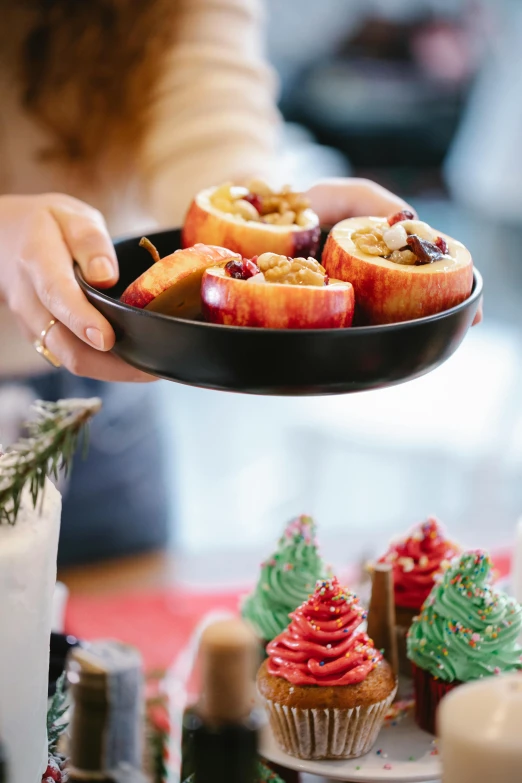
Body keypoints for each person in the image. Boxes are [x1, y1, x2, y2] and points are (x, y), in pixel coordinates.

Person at [0, 0, 473, 566]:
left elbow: (208, 125)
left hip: (100, 407)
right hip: (99, 355)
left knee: (114, 646)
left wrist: (277, 220)